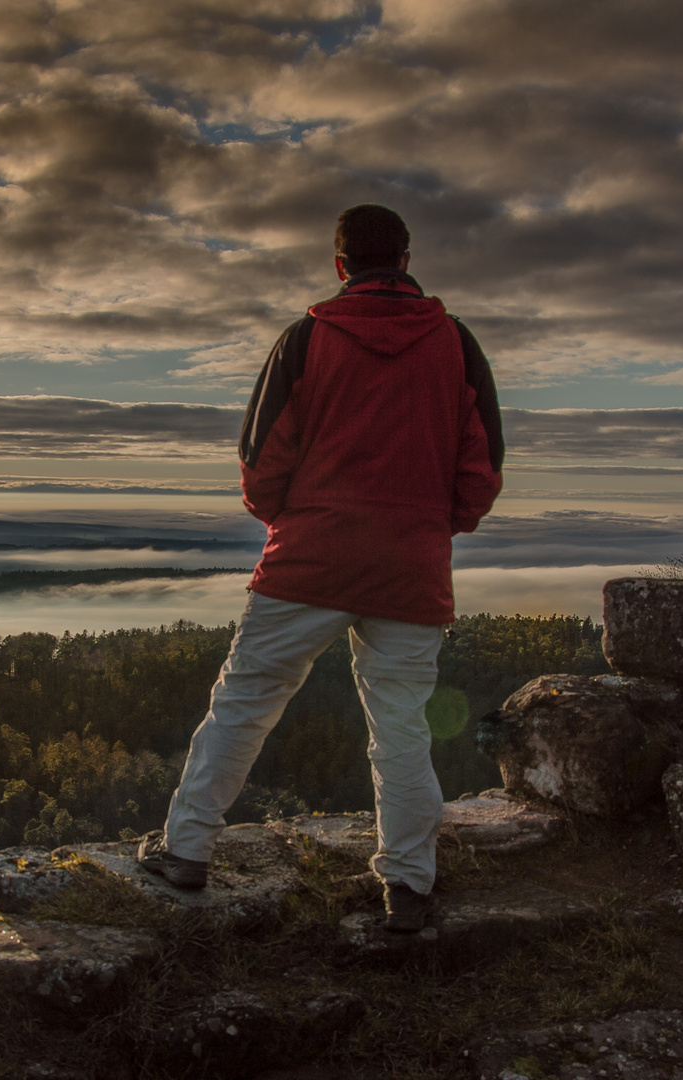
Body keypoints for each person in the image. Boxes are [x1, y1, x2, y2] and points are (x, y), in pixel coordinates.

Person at [137, 204, 504, 932]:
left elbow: (258, 461)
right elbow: (482, 468)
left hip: (307, 560)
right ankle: (408, 885)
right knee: (401, 727)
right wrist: (432, 527)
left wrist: (294, 522)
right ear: (403, 257)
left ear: (340, 265)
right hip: (410, 568)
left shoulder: (307, 339)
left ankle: (185, 852)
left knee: (243, 704)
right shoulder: (456, 345)